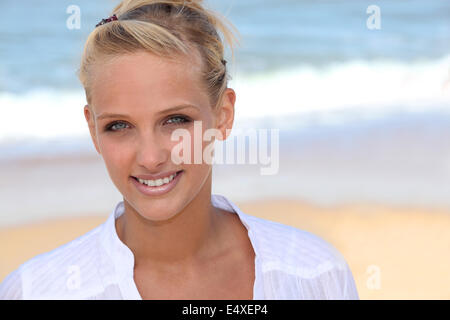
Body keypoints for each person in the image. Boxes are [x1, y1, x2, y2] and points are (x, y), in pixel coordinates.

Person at [0, 0, 359, 300]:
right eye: (119, 126)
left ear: (223, 115)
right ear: (93, 129)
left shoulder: (314, 274)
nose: (151, 157)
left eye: (175, 121)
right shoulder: (36, 291)